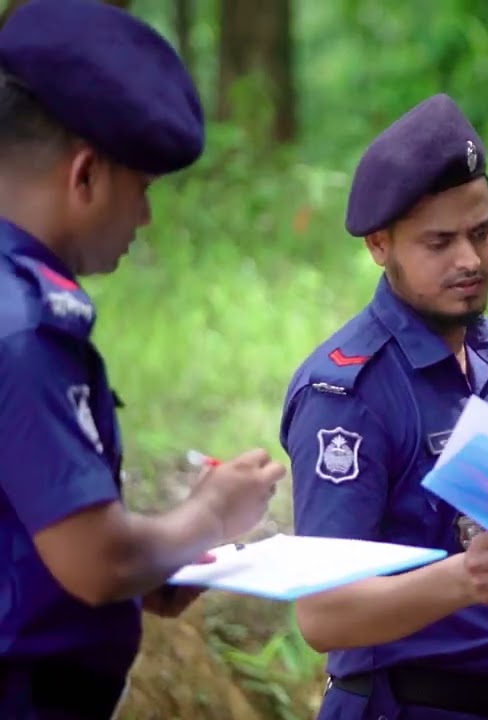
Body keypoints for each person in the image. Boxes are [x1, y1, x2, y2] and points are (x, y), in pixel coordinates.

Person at [0, 1, 287, 718]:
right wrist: (211, 514)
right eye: (144, 190)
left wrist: (154, 560)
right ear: (86, 176)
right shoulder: (23, 328)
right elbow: (97, 561)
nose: (146, 218)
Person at [279, 92, 488, 720]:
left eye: (482, 233)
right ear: (380, 245)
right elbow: (323, 613)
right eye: (439, 242)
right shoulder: (349, 395)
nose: (470, 261)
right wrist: (465, 579)